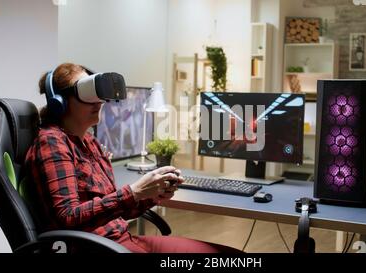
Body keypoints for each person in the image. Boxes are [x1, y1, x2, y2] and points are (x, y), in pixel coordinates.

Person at [25, 63, 241, 253]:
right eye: (87, 93)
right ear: (60, 102)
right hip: (99, 247)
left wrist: (151, 195)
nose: (99, 102)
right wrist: (133, 192)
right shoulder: (52, 143)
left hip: (121, 240)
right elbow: (68, 217)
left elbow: (113, 209)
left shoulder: (90, 143)